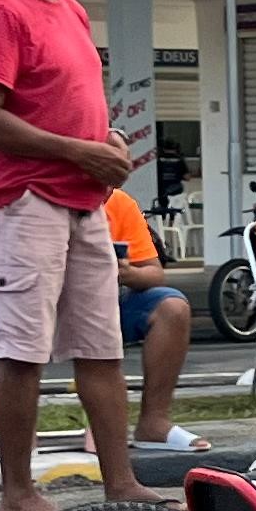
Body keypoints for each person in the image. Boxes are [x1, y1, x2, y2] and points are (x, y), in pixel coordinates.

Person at [0, 0, 165, 511]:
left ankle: (121, 477)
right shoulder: (1, 10)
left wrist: (103, 143)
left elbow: (65, 99)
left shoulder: (68, 9)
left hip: (80, 198)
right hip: (24, 201)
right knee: (23, 350)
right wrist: (80, 152)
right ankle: (16, 492)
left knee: (101, 346)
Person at [100, 183, 200, 451]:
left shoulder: (119, 202)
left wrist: (126, 273)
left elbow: (154, 273)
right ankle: (22, 436)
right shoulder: (45, 197)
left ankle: (153, 422)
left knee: (172, 306)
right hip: (54, 305)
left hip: (108, 303)